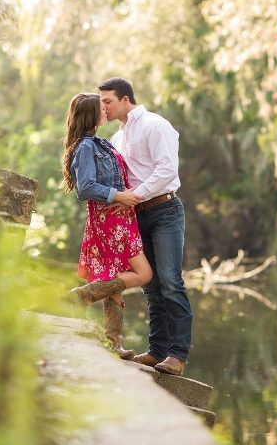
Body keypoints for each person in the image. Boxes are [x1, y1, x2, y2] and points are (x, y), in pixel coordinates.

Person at [99, 77, 193, 376]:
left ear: (125, 99)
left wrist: (133, 197)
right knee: (150, 286)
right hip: (136, 216)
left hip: (165, 210)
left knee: (170, 281)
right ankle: (156, 352)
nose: (103, 107)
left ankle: (177, 356)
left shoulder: (155, 125)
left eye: (107, 101)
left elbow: (167, 171)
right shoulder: (116, 138)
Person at [62, 92, 153, 360]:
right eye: (101, 106)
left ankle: (112, 343)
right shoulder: (86, 147)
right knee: (143, 273)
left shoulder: (101, 143)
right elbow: (86, 187)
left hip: (122, 219)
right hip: (109, 220)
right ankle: (81, 296)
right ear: (91, 113)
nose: (106, 109)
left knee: (117, 279)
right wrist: (120, 196)